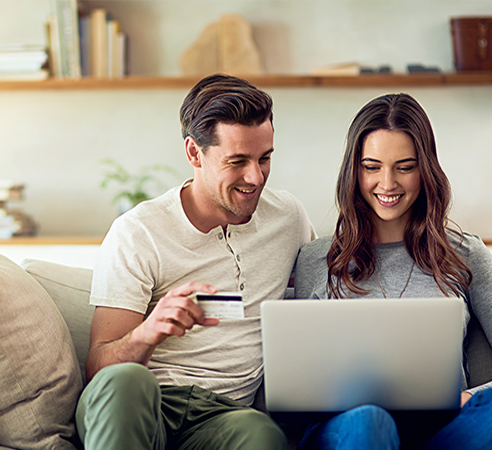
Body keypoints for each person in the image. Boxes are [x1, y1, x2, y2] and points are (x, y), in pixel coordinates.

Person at [76, 73, 316, 450]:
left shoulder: (288, 218)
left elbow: (317, 305)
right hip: (144, 403)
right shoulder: (138, 233)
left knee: (261, 433)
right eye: (237, 161)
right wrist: (149, 332)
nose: (255, 177)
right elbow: (99, 368)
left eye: (265, 158)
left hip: (224, 417)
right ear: (193, 153)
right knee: (126, 381)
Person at [294, 93, 492, 449]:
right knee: (371, 420)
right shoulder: (316, 259)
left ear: (426, 169)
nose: (387, 184)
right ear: (353, 171)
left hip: (442, 428)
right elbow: (299, 382)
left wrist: (469, 397)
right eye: (371, 167)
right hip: (351, 428)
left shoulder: (466, 254)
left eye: (405, 167)